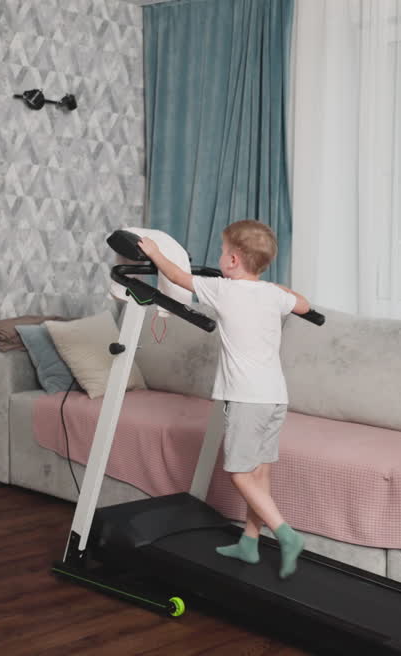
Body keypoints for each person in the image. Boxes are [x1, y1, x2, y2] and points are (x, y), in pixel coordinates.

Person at [139, 220, 311, 579]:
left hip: (247, 399)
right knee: (260, 473)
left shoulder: (222, 289)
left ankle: (286, 534)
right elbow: (304, 305)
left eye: (221, 251)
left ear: (232, 260)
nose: (218, 257)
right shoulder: (272, 294)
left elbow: (179, 277)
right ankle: (249, 542)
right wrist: (274, 287)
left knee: (238, 473)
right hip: (275, 398)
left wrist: (155, 254)